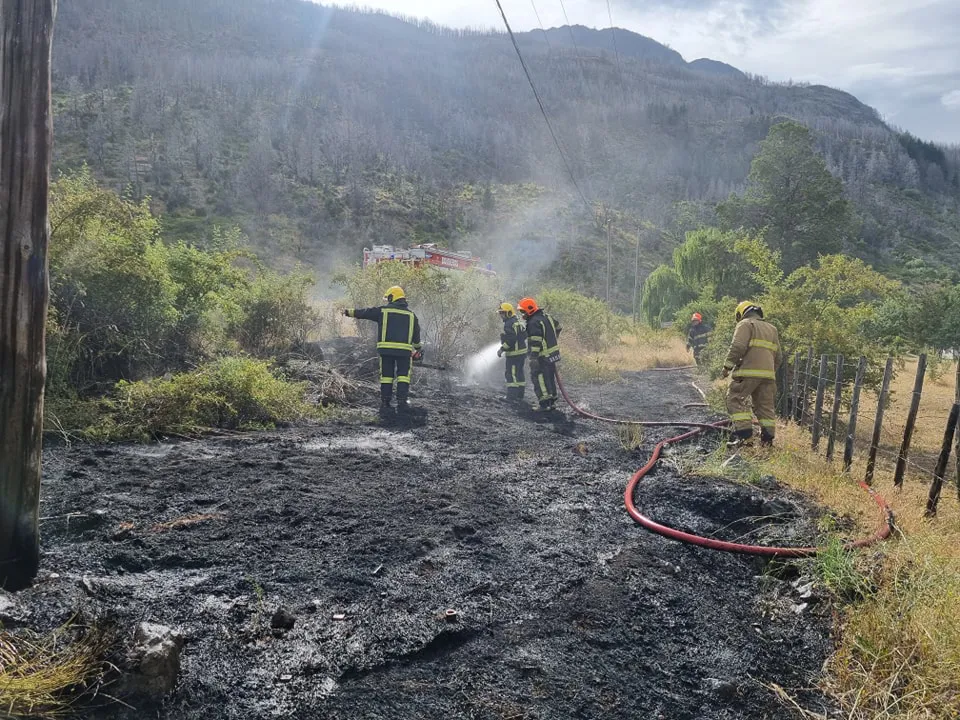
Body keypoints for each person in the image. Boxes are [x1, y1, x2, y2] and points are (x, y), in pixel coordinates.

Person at [344, 286, 422, 413]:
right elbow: (416, 336)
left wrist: (348, 312)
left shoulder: (383, 311)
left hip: (386, 351)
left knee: (386, 376)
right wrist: (418, 349)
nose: (388, 300)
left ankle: (385, 402)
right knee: (403, 376)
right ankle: (402, 401)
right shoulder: (412, 315)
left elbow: (365, 313)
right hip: (404, 353)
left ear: (392, 297)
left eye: (389, 298)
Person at [722, 301, 782, 448]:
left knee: (735, 399)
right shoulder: (772, 329)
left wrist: (727, 367)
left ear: (741, 314)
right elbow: (779, 357)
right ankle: (767, 442)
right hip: (768, 376)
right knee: (765, 407)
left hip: (747, 373)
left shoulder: (745, 324)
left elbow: (738, 347)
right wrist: (769, 372)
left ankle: (745, 438)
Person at [517, 297, 562, 412]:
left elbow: (536, 341)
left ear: (530, 310)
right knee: (549, 377)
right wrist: (553, 338)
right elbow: (558, 327)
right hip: (552, 354)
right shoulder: (547, 317)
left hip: (542, 356)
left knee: (538, 376)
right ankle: (551, 401)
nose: (522, 314)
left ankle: (544, 403)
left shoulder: (533, 322)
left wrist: (533, 357)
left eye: (523, 311)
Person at [496, 302, 527, 402]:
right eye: (500, 313)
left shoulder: (508, 324)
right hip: (522, 353)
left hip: (514, 354)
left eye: (502, 313)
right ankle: (520, 395)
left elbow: (511, 339)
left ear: (508, 313)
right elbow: (524, 335)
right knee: (519, 373)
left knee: (511, 374)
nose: (501, 315)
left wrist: (502, 349)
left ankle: (511, 397)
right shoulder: (517, 321)